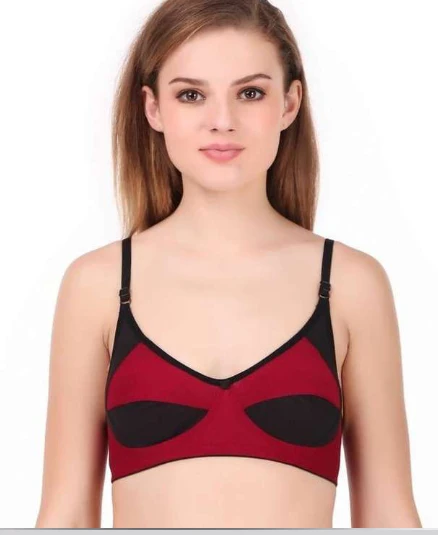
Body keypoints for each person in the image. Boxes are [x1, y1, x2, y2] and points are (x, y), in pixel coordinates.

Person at [35, 0, 422, 528]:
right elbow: (65, 516)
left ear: (289, 104)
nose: (222, 121)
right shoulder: (97, 285)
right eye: (191, 95)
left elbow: (389, 515)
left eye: (250, 93)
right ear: (153, 109)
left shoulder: (351, 284)